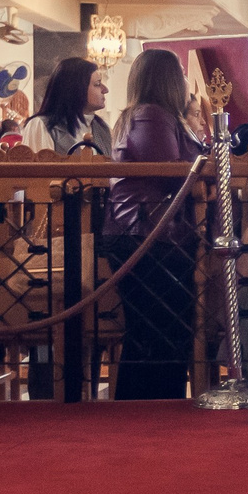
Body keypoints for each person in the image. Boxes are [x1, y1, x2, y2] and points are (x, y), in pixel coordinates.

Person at [99, 49, 206, 401]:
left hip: (157, 234)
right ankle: (148, 408)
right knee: (156, 330)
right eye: (180, 72)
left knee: (164, 328)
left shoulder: (158, 116)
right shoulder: (151, 116)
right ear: (167, 79)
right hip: (146, 234)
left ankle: (156, 406)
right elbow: (174, 171)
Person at [23, 57, 113, 156]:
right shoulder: (41, 125)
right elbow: (38, 170)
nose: (105, 90)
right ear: (76, 89)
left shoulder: (103, 129)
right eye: (97, 84)